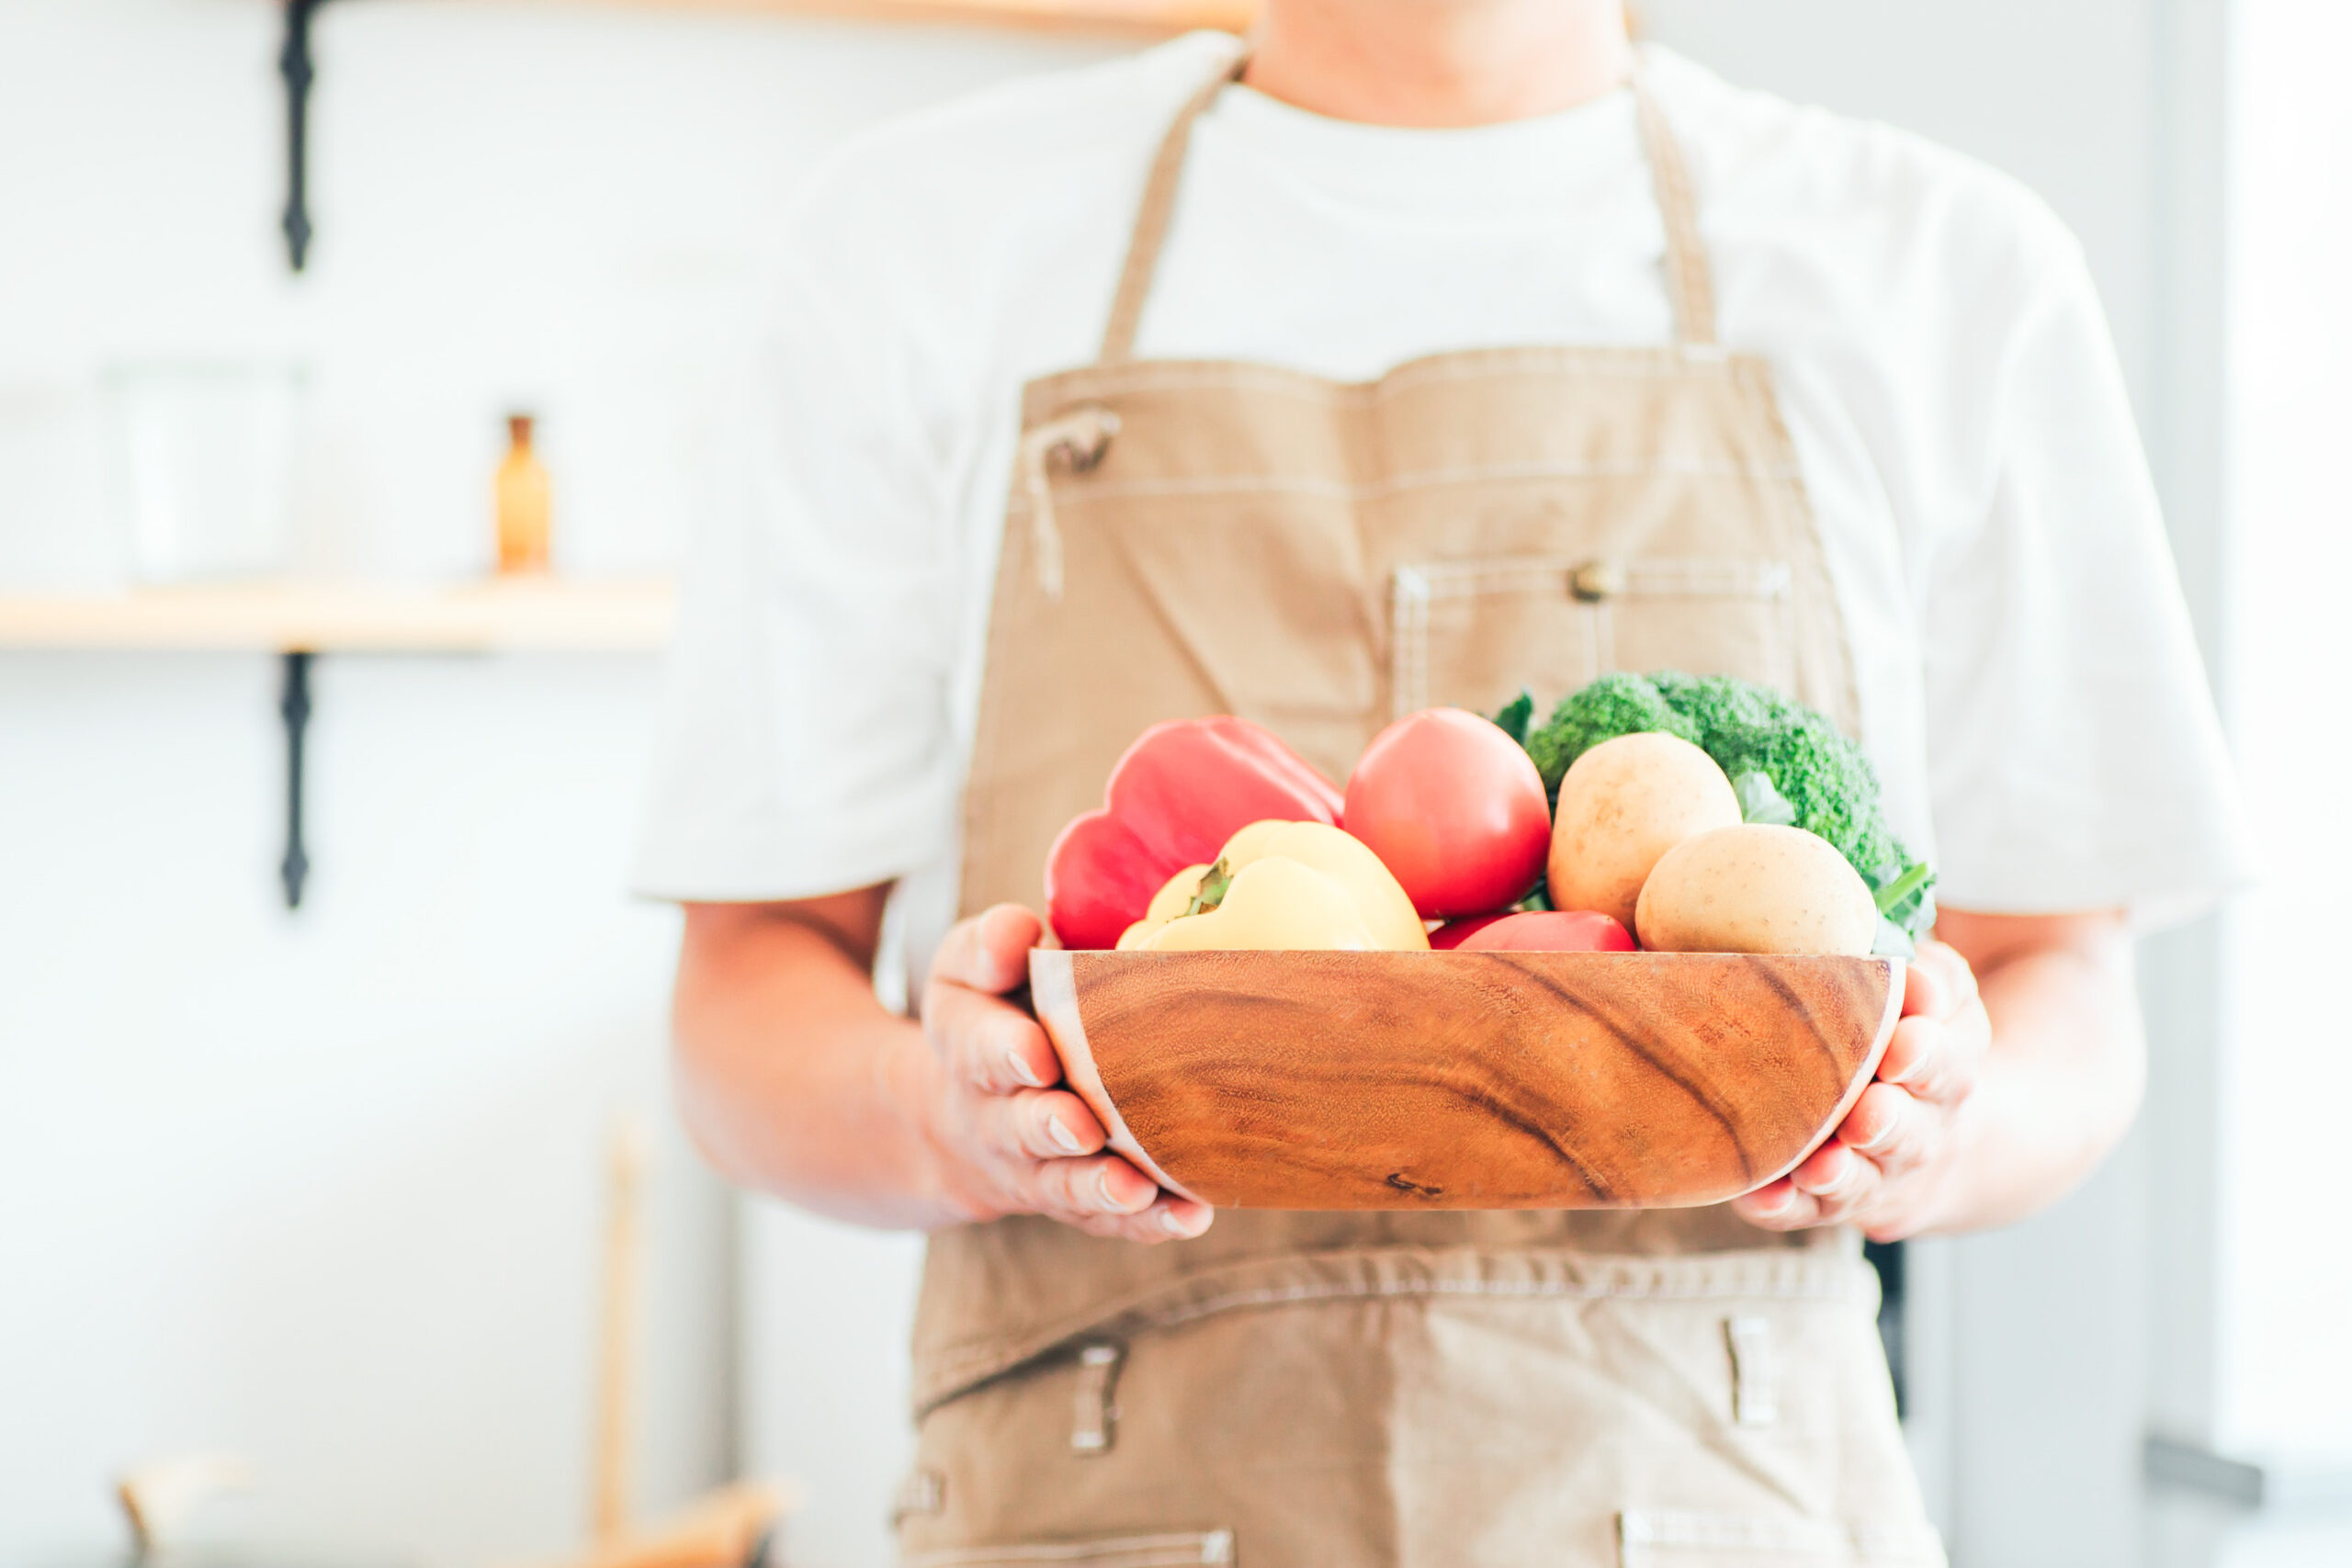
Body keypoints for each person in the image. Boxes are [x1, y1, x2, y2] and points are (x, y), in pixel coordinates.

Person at [635, 1, 2252, 1561]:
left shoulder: (1943, 269)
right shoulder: (916, 242)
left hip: (1717, 1505)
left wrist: (1941, 1127)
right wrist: (945, 1119)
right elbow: (738, 1007)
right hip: (1097, 1513)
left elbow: (2065, 985)